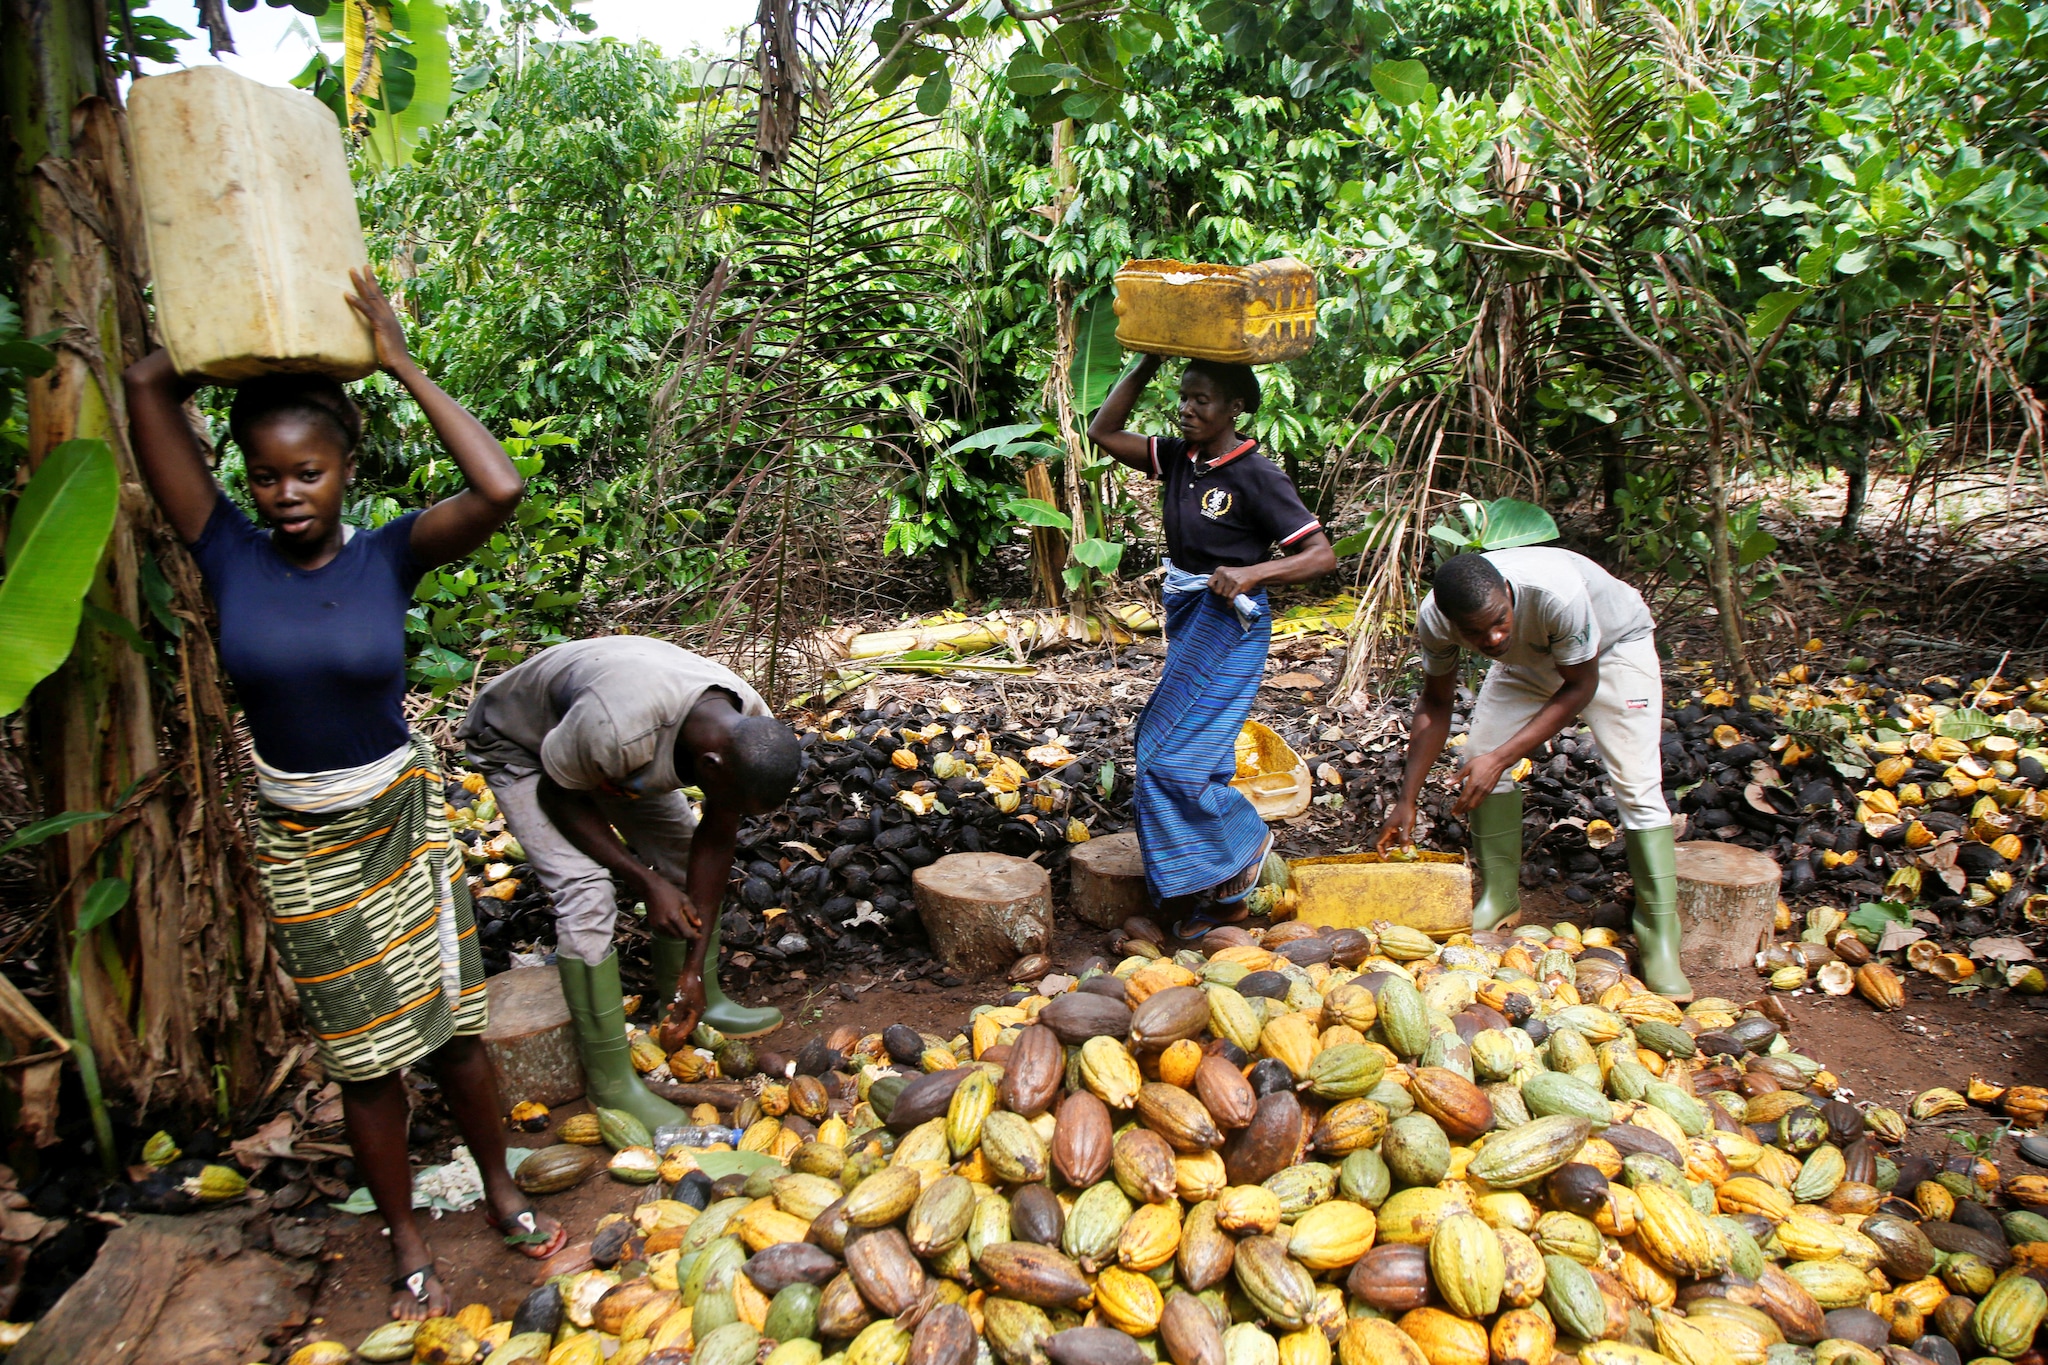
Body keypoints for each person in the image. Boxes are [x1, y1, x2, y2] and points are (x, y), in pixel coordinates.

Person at [125, 269, 563, 1319]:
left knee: (455, 1033)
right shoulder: (226, 552)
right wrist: (227, 328)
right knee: (366, 1061)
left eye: (307, 473)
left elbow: (500, 491)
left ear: (344, 470)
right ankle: (404, 1230)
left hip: (402, 824)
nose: (284, 495)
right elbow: (145, 389)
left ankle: (501, 1189)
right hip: (300, 836)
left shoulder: (388, 557)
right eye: (266, 475)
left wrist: (397, 359)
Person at [458, 636, 803, 1129]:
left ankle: (684, 1002)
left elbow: (714, 837)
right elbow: (562, 799)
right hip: (525, 749)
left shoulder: (748, 722)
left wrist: (693, 972)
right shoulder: (615, 728)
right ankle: (611, 1082)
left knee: (685, 854)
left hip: (609, 758)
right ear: (710, 767)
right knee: (586, 892)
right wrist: (644, 881)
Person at [1087, 352, 1337, 938]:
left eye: (1202, 399)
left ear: (1235, 408)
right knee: (1200, 753)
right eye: (1184, 396)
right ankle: (1219, 894)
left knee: (1164, 759)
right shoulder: (1180, 458)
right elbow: (1102, 431)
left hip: (1232, 621)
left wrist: (1253, 573)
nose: (1187, 409)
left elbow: (1320, 555)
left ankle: (1244, 848)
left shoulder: (1257, 474)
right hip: (1188, 610)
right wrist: (1148, 358)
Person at [1375, 548, 1688, 1000]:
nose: (1494, 636)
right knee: (1479, 754)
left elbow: (1581, 685)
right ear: (1451, 623)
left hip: (1615, 648)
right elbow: (1437, 702)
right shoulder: (1437, 619)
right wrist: (1406, 800)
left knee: (1636, 786)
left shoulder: (1554, 594)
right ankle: (1499, 898)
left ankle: (1660, 936)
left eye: (1501, 620)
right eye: (1476, 634)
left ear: (1507, 591)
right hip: (1531, 660)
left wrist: (1502, 757)